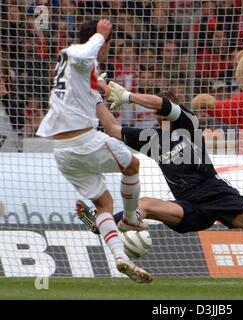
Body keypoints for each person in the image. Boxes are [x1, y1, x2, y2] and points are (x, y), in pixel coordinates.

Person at [77, 80, 243, 279]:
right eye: (158, 114)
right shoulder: (150, 140)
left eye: (162, 111)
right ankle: (108, 223)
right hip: (188, 207)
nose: (160, 115)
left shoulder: (188, 123)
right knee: (145, 202)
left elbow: (163, 104)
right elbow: (112, 129)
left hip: (219, 195)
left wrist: (129, 96)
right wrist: (96, 97)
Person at [35, 19, 152, 284]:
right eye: (109, 44)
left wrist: (98, 86)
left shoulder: (67, 64)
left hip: (63, 152)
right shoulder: (79, 51)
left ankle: (120, 257)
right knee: (132, 165)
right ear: (99, 42)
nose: (109, 49)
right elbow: (86, 53)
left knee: (104, 204)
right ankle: (132, 219)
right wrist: (101, 34)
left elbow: (81, 80)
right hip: (85, 141)